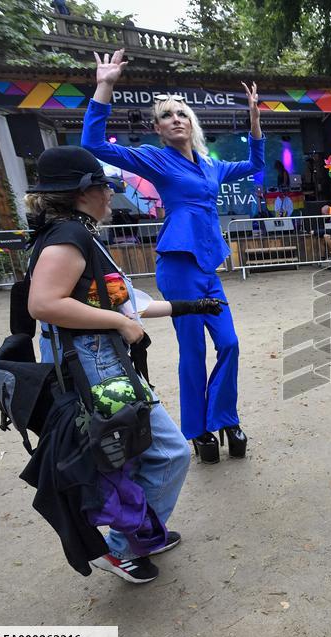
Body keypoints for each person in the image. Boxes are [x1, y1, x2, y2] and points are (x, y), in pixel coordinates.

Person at [25, 145, 226, 583]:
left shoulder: (72, 234)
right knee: (166, 452)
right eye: (104, 188)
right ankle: (122, 547)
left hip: (99, 365)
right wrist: (120, 323)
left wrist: (191, 307)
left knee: (128, 457)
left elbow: (126, 303)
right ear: (84, 192)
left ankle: (141, 534)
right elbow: (43, 304)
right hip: (95, 370)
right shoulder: (68, 238)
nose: (110, 196)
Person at [81, 49, 264, 462]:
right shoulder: (156, 160)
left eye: (182, 113)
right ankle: (199, 430)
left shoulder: (211, 166)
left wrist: (254, 120)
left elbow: (255, 163)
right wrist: (105, 85)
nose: (176, 119)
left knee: (230, 344)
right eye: (167, 116)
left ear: (191, 122)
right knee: (193, 351)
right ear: (158, 128)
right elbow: (92, 143)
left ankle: (224, 416)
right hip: (178, 267)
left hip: (207, 267)